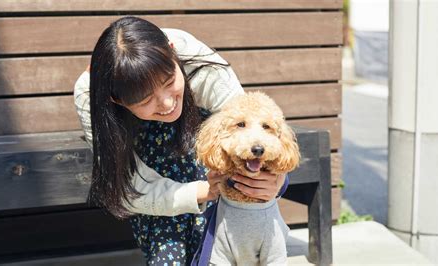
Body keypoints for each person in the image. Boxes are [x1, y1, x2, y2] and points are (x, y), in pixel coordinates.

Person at [73, 16, 286, 265]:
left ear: (173, 53)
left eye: (169, 82)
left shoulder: (191, 53)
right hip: (159, 184)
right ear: (117, 100)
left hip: (208, 162)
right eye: (145, 100)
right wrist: (205, 190)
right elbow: (131, 188)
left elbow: (248, 126)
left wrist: (274, 181)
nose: (166, 103)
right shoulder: (90, 97)